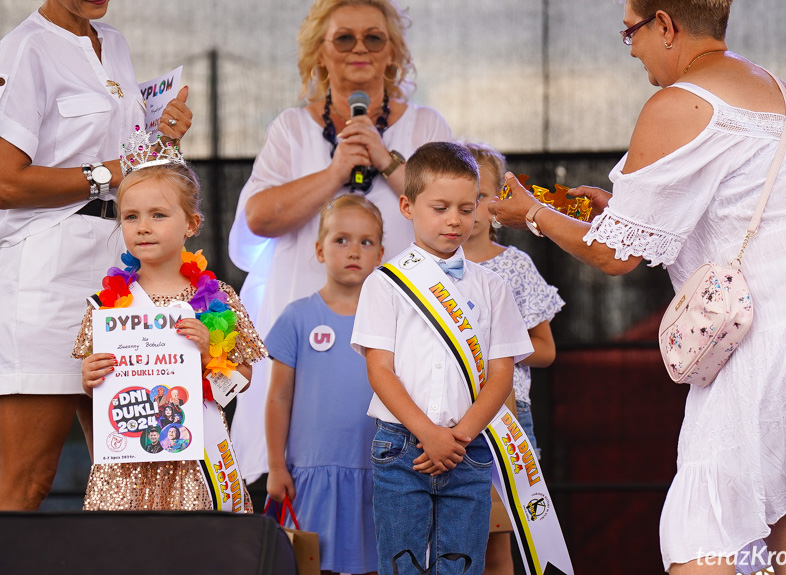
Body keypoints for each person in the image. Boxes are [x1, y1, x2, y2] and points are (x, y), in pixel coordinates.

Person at [488, 1, 786, 573]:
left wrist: (532, 215)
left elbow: (614, 256)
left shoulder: (677, 103)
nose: (632, 50)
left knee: (702, 530)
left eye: (629, 33)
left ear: (664, 24)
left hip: (774, 342)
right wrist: (630, 214)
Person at [228, 0, 452, 482]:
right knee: (307, 483)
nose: (359, 49)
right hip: (307, 339)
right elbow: (257, 220)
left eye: (374, 37)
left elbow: (451, 211)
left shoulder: (426, 126)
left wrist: (387, 162)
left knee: (395, 481)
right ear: (320, 54)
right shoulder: (290, 129)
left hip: (402, 330)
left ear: (392, 52)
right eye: (343, 38)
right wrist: (335, 172)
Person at [0, 0, 192, 510]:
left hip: (121, 270)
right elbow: (5, 180)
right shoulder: (23, 50)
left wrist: (159, 142)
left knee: (137, 474)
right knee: (30, 478)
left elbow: (128, 160)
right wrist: (112, 171)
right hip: (47, 271)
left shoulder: (115, 43)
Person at [351, 142, 534, 575]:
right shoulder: (384, 283)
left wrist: (457, 437)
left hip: (467, 449)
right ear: (407, 205)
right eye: (440, 207)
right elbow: (379, 369)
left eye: (466, 208)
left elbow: (501, 376)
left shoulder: (493, 287)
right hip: (399, 446)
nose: (454, 219)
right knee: (401, 566)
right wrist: (427, 434)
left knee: (463, 567)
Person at [73, 152, 267, 511]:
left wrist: (211, 354)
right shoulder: (105, 304)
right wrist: (89, 378)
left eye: (158, 215)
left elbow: (244, 378)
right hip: (126, 463)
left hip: (197, 459)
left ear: (191, 224)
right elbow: (95, 385)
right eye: (130, 217)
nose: (142, 227)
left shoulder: (217, 298)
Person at [265, 194, 384, 575]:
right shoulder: (298, 317)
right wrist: (275, 465)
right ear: (319, 250)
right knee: (315, 566)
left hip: (380, 472)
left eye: (366, 242)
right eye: (341, 240)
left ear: (380, 254)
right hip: (312, 473)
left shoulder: (393, 320)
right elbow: (278, 397)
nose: (354, 251)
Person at [461, 143, 564, 575]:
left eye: (480, 196)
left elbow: (545, 349)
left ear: (500, 203)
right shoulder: (420, 269)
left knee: (497, 543)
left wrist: (495, 347)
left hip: (504, 416)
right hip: (440, 417)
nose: (468, 208)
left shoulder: (515, 266)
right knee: (452, 537)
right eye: (455, 198)